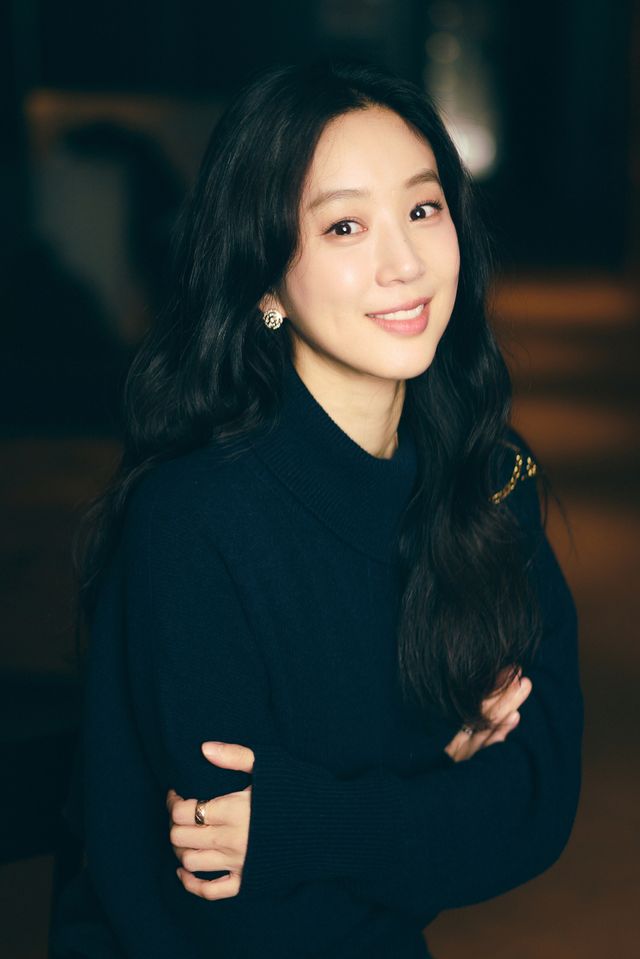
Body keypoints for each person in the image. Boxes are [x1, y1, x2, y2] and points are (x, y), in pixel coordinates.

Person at [50, 57, 583, 959]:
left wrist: (310, 822)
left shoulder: (491, 479)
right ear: (264, 279)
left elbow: (539, 801)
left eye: (424, 209)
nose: (404, 263)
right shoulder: (196, 521)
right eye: (344, 225)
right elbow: (229, 908)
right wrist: (438, 776)